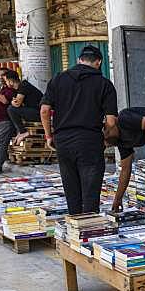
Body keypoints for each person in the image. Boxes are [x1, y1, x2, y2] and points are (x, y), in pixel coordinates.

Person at [41, 45, 117, 214]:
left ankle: (75, 228)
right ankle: (89, 232)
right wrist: (104, 137)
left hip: (63, 141)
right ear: (98, 63)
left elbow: (44, 111)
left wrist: (48, 136)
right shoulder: (104, 84)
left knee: (71, 188)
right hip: (90, 140)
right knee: (91, 191)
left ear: (79, 60)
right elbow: (111, 122)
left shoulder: (58, 79)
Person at [3, 70, 44, 145]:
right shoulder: (18, 89)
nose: (6, 83)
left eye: (6, 81)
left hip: (39, 113)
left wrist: (12, 102)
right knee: (12, 109)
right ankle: (21, 131)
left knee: (11, 109)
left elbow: (17, 104)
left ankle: (23, 132)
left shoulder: (23, 86)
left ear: (11, 81)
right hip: (34, 112)